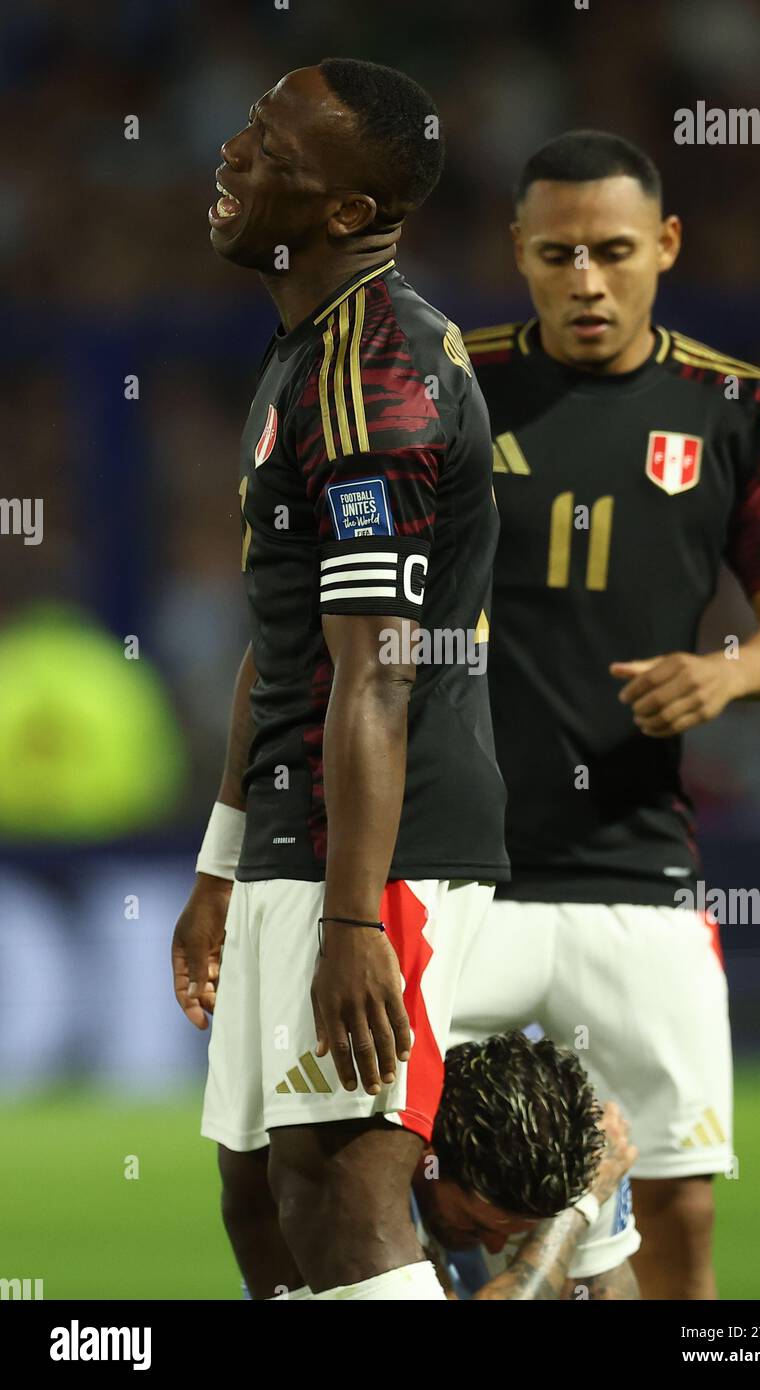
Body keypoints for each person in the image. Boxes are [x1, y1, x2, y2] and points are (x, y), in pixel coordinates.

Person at [451, 130, 760, 1299]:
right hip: (458, 869)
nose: (585, 280)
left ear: (665, 245)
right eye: (556, 252)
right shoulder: (453, 387)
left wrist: (726, 674)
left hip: (636, 868)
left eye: (613, 251)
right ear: (518, 250)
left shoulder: (737, 406)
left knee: (677, 1203)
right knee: (408, 1183)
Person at [171, 58, 508, 1303]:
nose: (232, 156)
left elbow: (377, 671)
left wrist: (357, 917)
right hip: (292, 834)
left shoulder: (376, 375)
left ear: (347, 214)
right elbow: (283, 643)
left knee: (347, 1188)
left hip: (377, 844)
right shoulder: (305, 354)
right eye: (246, 128)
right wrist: (221, 860)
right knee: (262, 1194)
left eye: (271, 150)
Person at [228, 1032, 640, 1301]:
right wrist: (572, 1217)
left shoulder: (585, 1162)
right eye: (476, 1225)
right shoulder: (360, 1166)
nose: (494, 1247)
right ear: (428, 1161)